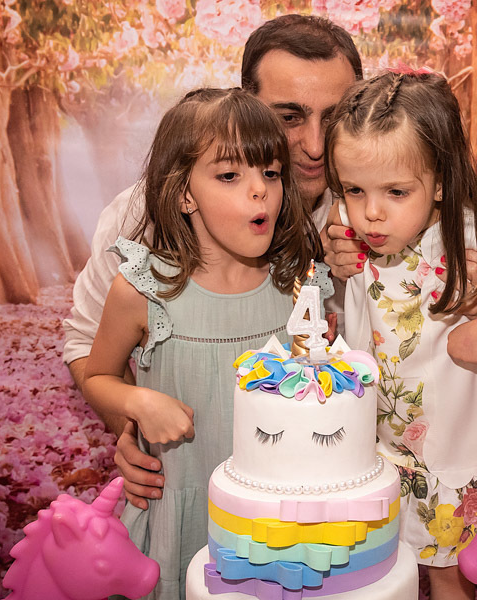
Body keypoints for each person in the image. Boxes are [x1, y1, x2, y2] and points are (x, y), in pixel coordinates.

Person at [62, 14, 364, 508]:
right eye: (289, 117)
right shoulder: (138, 219)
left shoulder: (383, 215)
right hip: (184, 491)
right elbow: (87, 346)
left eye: (332, 118)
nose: (315, 145)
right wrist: (135, 429)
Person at [81, 87, 322, 600]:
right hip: (178, 520)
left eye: (271, 173)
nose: (259, 191)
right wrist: (138, 401)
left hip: (276, 523)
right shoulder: (143, 290)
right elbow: (98, 375)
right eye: (230, 175)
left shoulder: (300, 287)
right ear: (184, 194)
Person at [325, 71, 477, 600]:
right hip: (370, 449)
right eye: (354, 189)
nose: (371, 212)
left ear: (439, 180)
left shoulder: (474, 237)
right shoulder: (349, 228)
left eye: (395, 192)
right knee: (373, 570)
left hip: (449, 452)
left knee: (450, 575)